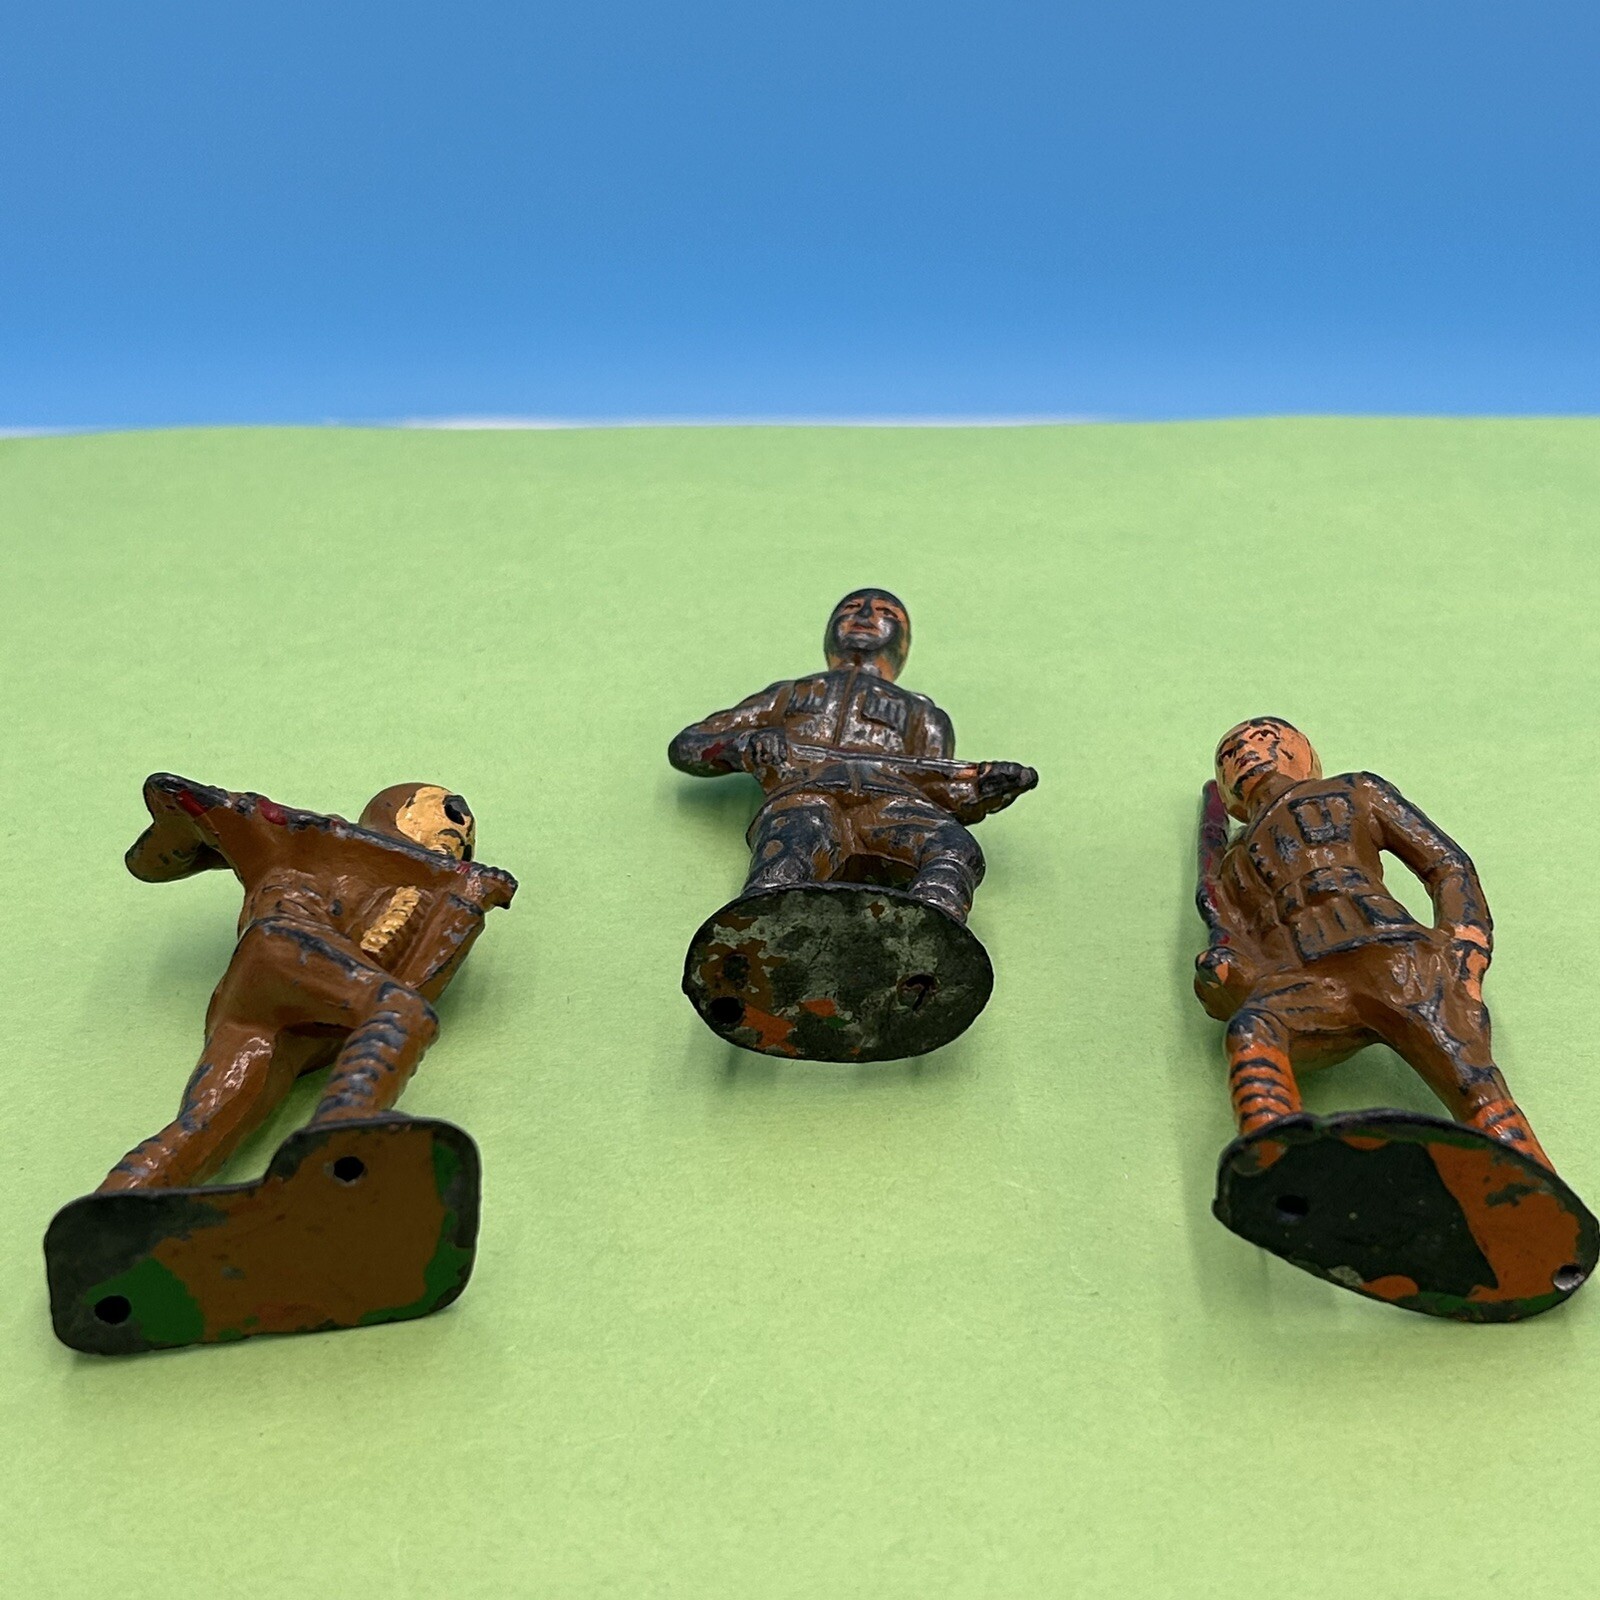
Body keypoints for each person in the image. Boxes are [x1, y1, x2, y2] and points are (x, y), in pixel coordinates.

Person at [99, 774, 515, 1192]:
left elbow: (415, 982)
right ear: (400, 808)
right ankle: (340, 1146)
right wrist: (205, 823)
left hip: (290, 1016)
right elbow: (167, 809)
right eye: (451, 816)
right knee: (403, 1014)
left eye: (466, 842)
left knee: (205, 1126)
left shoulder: (437, 890)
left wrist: (469, 900)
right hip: (282, 952)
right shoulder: (317, 836)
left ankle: (115, 1208)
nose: (460, 839)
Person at [1194, 716, 1547, 1166]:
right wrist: (1227, 977)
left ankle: (1527, 1180)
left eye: (1264, 738)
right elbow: (1241, 950)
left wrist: (1466, 943)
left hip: (1399, 959)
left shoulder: (1355, 791)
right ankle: (1276, 1155)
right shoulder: (1230, 863)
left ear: (1305, 755)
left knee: (1468, 1076)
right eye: (1228, 754)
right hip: (1309, 981)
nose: (1245, 752)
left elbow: (1446, 864)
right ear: (1226, 793)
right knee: (1252, 1028)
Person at [669, 588, 1035, 923]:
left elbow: (938, 789)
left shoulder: (923, 713)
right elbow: (689, 744)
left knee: (955, 847)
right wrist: (746, 744)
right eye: (851, 608)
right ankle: (759, 926)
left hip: (895, 806)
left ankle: (934, 923)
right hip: (806, 795)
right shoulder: (790, 693)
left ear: (903, 643)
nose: (864, 616)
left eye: (885, 612)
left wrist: (983, 789)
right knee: (795, 842)